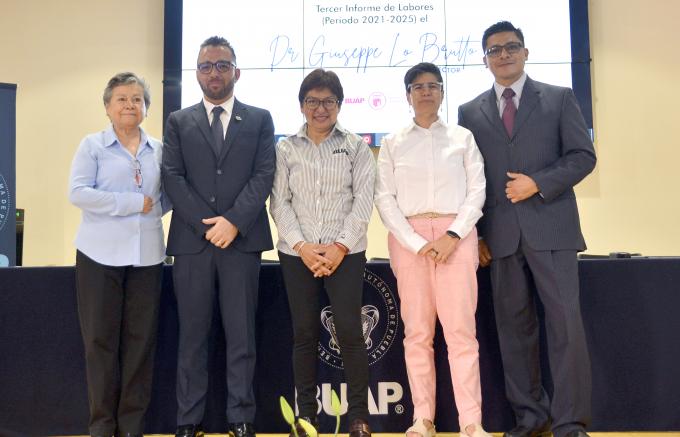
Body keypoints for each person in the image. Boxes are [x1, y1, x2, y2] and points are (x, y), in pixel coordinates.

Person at [457, 21, 597, 437]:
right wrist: (477, 234)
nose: (503, 54)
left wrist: (538, 182)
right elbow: (469, 178)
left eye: (511, 47)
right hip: (500, 238)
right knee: (514, 332)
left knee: (564, 328)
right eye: (494, 50)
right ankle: (530, 419)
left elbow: (582, 156)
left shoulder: (559, 98)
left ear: (526, 52)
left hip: (551, 229)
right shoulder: (469, 111)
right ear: (485, 59)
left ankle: (570, 423)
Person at [162, 36, 275, 437]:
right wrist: (207, 224)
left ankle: (240, 417)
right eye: (207, 65)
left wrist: (234, 222)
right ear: (196, 74)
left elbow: (264, 175)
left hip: (242, 242)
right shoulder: (178, 121)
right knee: (192, 336)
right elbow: (172, 177)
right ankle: (188, 420)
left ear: (237, 72)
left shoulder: (260, 119)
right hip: (193, 244)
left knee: (241, 335)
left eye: (222, 65)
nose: (215, 72)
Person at [374, 63, 490, 437]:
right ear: (408, 95)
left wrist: (452, 235)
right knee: (418, 334)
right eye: (418, 87)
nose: (426, 92)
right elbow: (384, 200)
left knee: (461, 335)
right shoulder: (393, 142)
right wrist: (418, 243)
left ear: (441, 92)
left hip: (456, 237)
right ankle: (423, 418)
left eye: (433, 86)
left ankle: (471, 422)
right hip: (410, 242)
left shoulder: (462, 138)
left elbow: (477, 191)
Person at [270, 68, 374, 437]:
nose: (320, 108)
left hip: (346, 254)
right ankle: (307, 417)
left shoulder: (357, 146)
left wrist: (338, 248)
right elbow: (279, 203)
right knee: (304, 334)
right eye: (312, 101)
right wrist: (303, 247)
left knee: (349, 332)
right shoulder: (285, 148)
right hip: (297, 255)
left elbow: (363, 202)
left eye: (328, 101)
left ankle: (359, 417)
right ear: (302, 105)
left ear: (339, 105)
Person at [69, 72, 169, 437]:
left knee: (140, 344)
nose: (130, 105)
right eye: (122, 99)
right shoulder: (92, 146)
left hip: (147, 256)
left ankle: (131, 426)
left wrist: (151, 208)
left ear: (145, 108)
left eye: (137, 99)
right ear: (108, 107)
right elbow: (78, 193)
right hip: (98, 255)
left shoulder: (159, 149)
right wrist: (130, 203)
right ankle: (101, 425)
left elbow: (166, 195)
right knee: (100, 342)